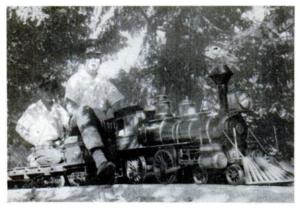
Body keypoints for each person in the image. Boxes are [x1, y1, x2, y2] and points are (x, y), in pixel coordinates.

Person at [65, 46, 124, 183]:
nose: (93, 61)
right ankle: (100, 160)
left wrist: (109, 111)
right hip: (79, 122)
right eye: (90, 57)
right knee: (84, 111)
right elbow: (70, 106)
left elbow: (118, 102)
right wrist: (94, 112)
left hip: (100, 121)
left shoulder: (103, 81)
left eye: (97, 58)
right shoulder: (75, 79)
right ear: (84, 61)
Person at [16, 80, 69, 167]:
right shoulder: (34, 109)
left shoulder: (59, 109)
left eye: (52, 90)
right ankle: (35, 159)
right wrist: (36, 142)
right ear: (40, 92)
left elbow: (69, 125)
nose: (49, 93)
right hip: (42, 147)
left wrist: (64, 140)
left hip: (58, 146)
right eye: (46, 90)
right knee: (57, 159)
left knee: (72, 157)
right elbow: (20, 127)